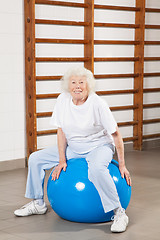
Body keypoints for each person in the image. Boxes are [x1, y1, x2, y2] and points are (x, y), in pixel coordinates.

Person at [14, 67, 132, 233]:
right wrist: (62, 159)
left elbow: (116, 134)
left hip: (99, 147)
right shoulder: (62, 100)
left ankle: (119, 213)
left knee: (97, 169)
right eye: (74, 82)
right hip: (74, 148)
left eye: (82, 82)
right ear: (68, 86)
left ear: (88, 85)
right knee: (35, 158)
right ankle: (38, 203)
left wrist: (122, 165)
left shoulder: (98, 104)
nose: (78, 86)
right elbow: (61, 131)